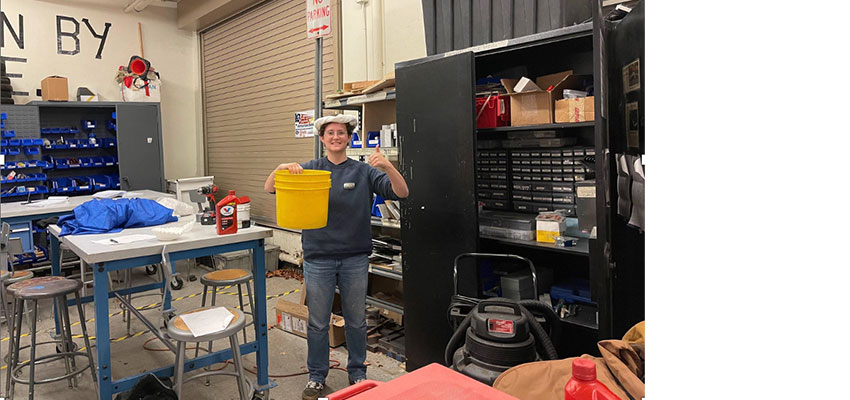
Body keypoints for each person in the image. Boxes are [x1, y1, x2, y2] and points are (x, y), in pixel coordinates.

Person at [263, 114, 409, 400]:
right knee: (318, 321)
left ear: (348, 137)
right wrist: (281, 168)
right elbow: (270, 188)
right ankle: (317, 376)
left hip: (355, 257)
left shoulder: (364, 171)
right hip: (319, 257)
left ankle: (358, 372)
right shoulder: (310, 169)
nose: (335, 137)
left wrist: (388, 166)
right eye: (330, 133)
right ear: (322, 139)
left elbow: (402, 192)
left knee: (356, 320)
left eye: (341, 133)